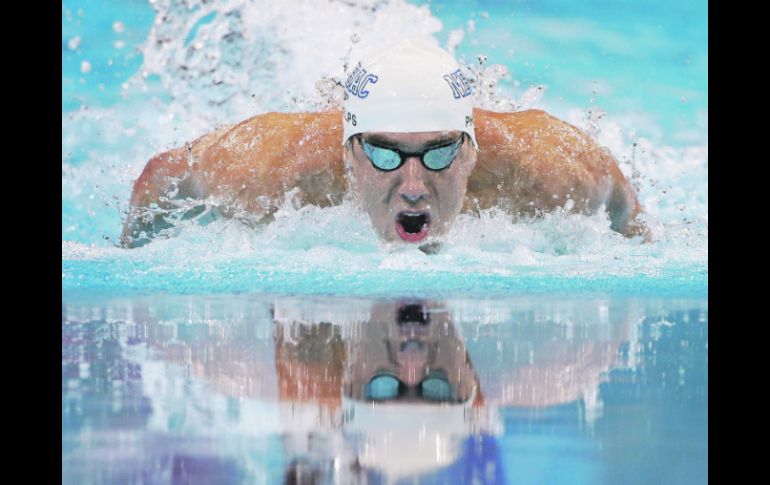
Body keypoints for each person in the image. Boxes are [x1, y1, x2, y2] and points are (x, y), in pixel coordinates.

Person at [121, 39, 648, 249]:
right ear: (350, 152)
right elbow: (162, 176)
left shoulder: (546, 172)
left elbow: (622, 203)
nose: (413, 187)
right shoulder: (279, 173)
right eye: (384, 154)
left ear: (470, 151)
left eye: (439, 152)